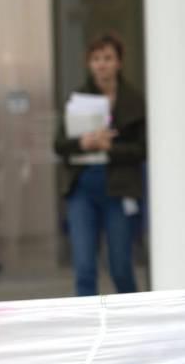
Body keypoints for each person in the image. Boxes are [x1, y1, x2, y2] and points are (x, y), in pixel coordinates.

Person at [52, 33, 146, 297]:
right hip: (82, 188)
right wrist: (83, 142)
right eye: (96, 59)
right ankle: (86, 328)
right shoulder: (77, 99)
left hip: (119, 189)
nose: (101, 64)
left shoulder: (134, 102)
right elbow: (59, 144)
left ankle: (132, 323)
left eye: (107, 58)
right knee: (83, 268)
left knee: (120, 267)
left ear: (119, 62)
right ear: (89, 64)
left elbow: (143, 149)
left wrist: (110, 148)